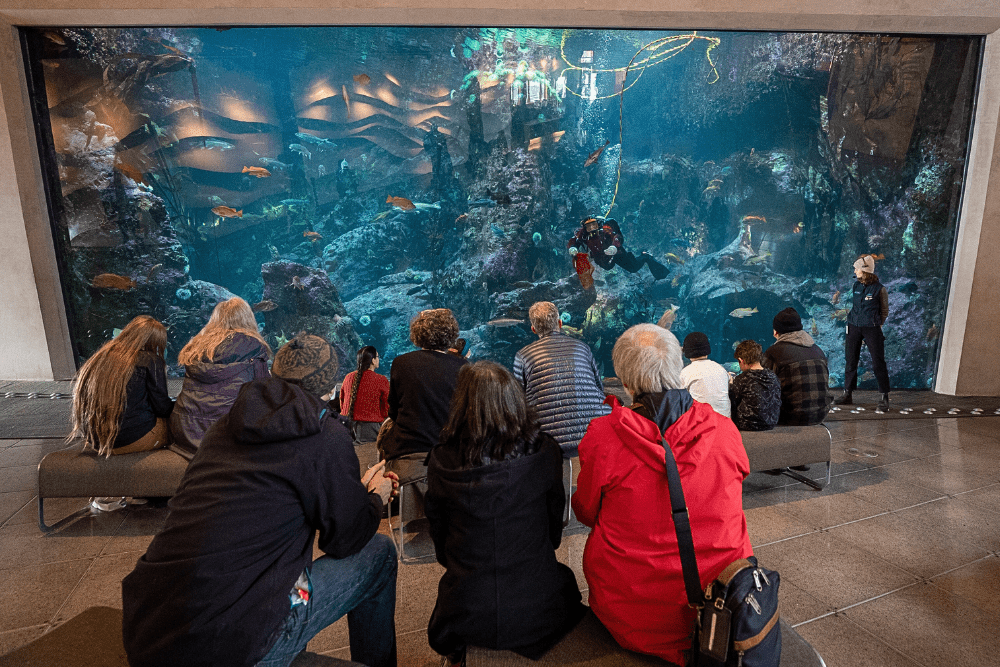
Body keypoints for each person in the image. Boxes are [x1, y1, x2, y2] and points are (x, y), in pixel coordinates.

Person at [122, 334, 399, 667]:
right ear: (330, 388)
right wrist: (373, 499)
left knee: (290, 566)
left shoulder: (225, 426)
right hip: (238, 643)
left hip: (150, 629)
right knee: (378, 554)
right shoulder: (325, 437)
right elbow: (345, 541)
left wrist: (350, 491)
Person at [572, 324, 752, 666]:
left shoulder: (603, 436)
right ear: (677, 368)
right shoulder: (724, 429)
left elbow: (585, 512)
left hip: (632, 615)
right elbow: (738, 478)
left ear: (625, 381)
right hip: (723, 606)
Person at [425, 361, 586, 665]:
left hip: (467, 608)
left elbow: (441, 537)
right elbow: (554, 527)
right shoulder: (544, 449)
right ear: (516, 399)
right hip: (540, 604)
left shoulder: (441, 460)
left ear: (461, 405)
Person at [170, 297, 271, 459]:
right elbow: (265, 396)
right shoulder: (253, 346)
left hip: (185, 432)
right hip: (228, 437)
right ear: (248, 318)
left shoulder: (197, 345)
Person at [381, 308, 468, 487]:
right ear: (451, 334)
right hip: (451, 452)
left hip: (409, 450)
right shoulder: (463, 366)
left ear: (417, 333)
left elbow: (394, 411)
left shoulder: (401, 363)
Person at [512, 301, 610, 457]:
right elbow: (599, 387)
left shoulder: (523, 356)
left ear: (533, 329)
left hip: (549, 443)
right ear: (560, 323)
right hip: (596, 434)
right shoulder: (582, 347)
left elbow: (517, 400)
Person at [69, 314, 173, 460]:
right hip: (130, 440)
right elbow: (162, 407)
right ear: (155, 342)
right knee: (178, 423)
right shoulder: (150, 360)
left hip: (96, 441)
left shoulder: (100, 357)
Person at [834, 254, 891, 412]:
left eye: (856, 268)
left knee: (878, 362)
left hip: (871, 328)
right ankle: (847, 393)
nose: (854, 270)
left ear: (865, 270)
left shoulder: (880, 289)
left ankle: (884, 396)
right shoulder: (856, 286)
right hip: (853, 326)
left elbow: (884, 311)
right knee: (850, 360)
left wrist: (876, 324)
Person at [763, 307, 832, 425]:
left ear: (775, 332)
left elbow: (762, 385)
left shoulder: (773, 353)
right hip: (820, 414)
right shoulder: (818, 350)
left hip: (789, 416)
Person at [567, 217, 669, 280]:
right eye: (589, 227)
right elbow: (574, 240)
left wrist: (614, 246)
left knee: (633, 268)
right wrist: (572, 247)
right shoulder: (584, 234)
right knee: (607, 267)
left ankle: (646, 256)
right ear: (585, 228)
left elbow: (617, 236)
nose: (592, 229)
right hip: (602, 257)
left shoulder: (604, 229)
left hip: (615, 253)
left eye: (594, 225)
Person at [340, 345, 390, 443]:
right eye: (378, 357)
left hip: (345, 425)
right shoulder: (381, 379)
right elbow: (386, 407)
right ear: (373, 360)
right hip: (370, 428)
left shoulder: (348, 377)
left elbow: (342, 400)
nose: (379, 360)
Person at [729, 339, 781, 431]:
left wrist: (731, 384)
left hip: (747, 424)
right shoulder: (773, 376)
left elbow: (733, 401)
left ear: (741, 360)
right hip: (772, 421)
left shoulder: (742, 379)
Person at [678, 332, 731, 417]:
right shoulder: (721, 369)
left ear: (686, 351)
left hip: (701, 424)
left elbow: (677, 398)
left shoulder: (685, 373)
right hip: (725, 422)